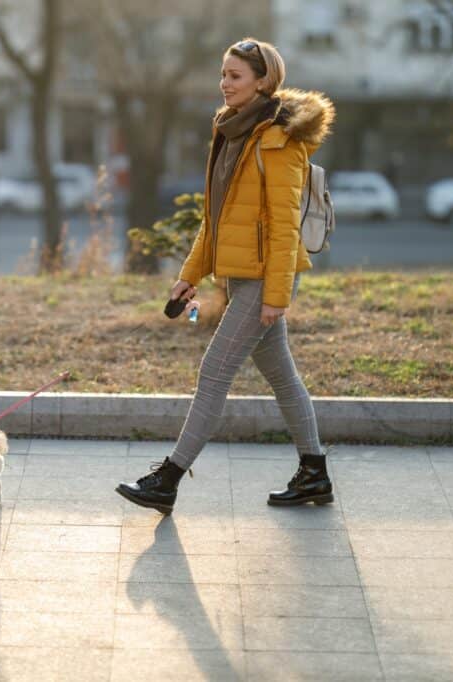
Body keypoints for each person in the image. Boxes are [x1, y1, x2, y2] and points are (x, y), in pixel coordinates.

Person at [116, 38, 336, 514]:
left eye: (235, 76)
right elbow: (215, 218)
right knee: (281, 375)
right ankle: (314, 473)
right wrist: (190, 274)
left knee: (214, 371)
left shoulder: (279, 140)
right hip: (241, 276)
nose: (224, 83)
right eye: (223, 74)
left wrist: (277, 295)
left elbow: (283, 226)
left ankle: (167, 480)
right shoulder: (233, 131)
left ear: (263, 81)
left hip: (265, 280)